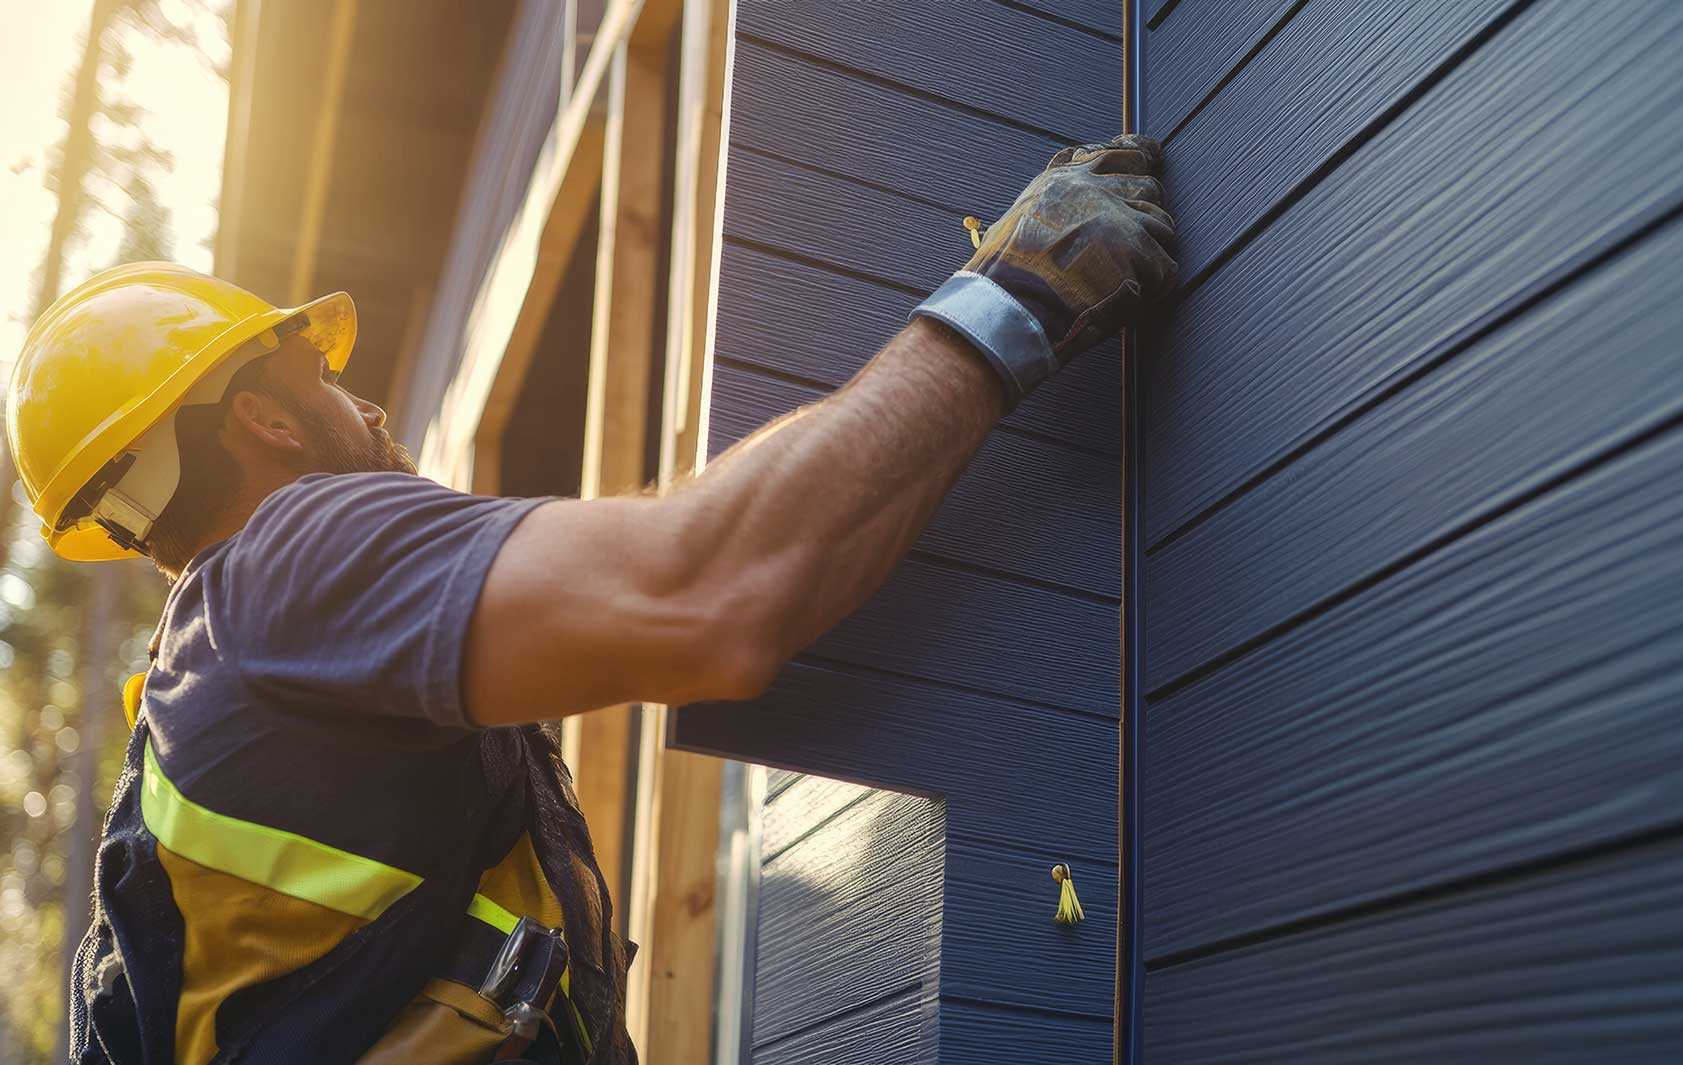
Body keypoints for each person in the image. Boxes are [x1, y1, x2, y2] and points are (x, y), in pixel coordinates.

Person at [7, 134, 1176, 1064]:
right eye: (322, 375)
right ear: (260, 416)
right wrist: (1013, 293)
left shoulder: (213, 686)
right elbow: (715, 590)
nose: (368, 411)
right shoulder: (293, 559)